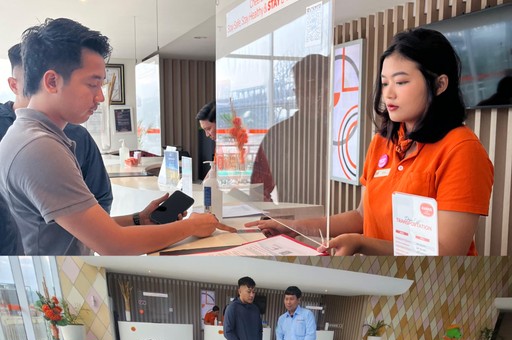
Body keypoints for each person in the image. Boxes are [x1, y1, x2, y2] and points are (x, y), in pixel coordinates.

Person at [247, 28, 494, 256]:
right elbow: (361, 216)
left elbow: (448, 251)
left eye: (401, 82)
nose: (388, 94)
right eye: (385, 83)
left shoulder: (462, 151)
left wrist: (362, 243)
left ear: (439, 85)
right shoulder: (382, 142)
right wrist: (294, 227)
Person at [0, 18, 234, 255]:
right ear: (52, 81)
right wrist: (191, 226)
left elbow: (77, 229)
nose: (100, 97)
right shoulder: (39, 147)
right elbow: (113, 245)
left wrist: (138, 219)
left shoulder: (29, 136)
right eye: (92, 84)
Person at [0, 43, 113, 214]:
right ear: (14, 85)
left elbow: (100, 195)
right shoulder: (25, 138)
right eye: (31, 81)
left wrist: (97, 228)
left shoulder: (79, 134)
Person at [250, 54, 330, 202]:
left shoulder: (344, 135)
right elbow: (257, 190)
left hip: (343, 215)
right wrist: (277, 216)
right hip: (294, 216)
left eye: (312, 89)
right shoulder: (277, 136)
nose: (305, 97)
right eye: (301, 90)